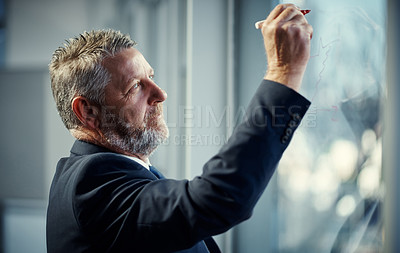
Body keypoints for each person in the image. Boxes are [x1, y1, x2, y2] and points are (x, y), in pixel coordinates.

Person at [46, 3, 313, 253]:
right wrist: (283, 73)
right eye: (135, 86)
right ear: (87, 111)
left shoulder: (115, 172)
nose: (160, 94)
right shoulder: (91, 182)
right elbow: (218, 199)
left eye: (150, 77)